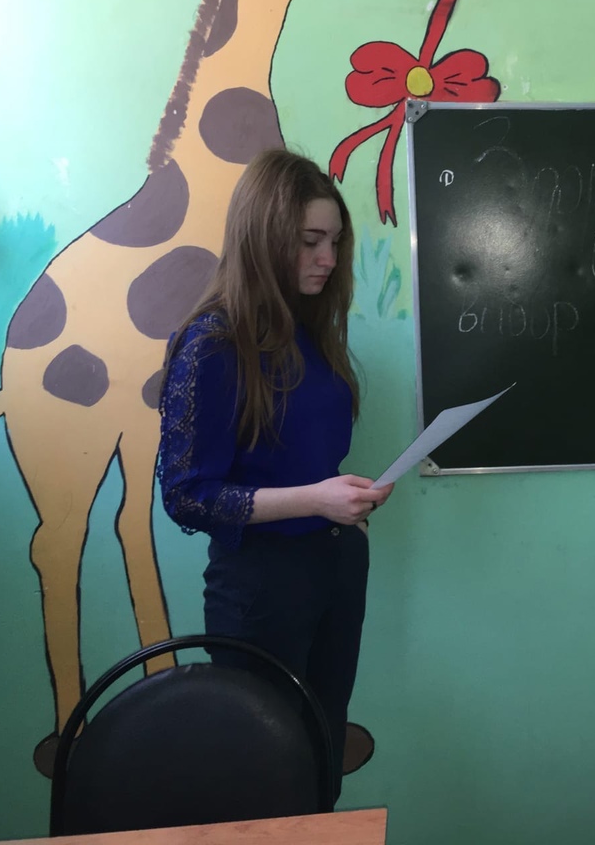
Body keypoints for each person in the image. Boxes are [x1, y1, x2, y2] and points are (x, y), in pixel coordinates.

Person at [157, 147, 392, 799]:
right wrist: (315, 499)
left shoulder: (308, 331)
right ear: (264, 237)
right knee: (262, 773)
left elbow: (305, 462)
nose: (329, 258)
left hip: (336, 565)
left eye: (336, 242)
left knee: (319, 760)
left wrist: (340, 501)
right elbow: (186, 496)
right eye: (311, 241)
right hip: (261, 588)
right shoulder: (212, 343)